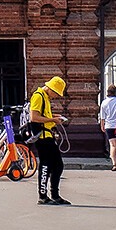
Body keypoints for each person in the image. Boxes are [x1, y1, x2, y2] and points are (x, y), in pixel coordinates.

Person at [28, 75, 69, 205]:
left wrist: (56, 117)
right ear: (51, 88)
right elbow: (34, 117)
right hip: (42, 138)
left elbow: (43, 115)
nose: (56, 96)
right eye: (56, 93)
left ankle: (54, 195)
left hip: (48, 136)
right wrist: (52, 120)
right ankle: (43, 196)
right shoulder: (38, 96)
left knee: (57, 165)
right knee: (46, 166)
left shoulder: (45, 97)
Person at [99, 84, 116, 171]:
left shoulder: (104, 102)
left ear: (108, 92)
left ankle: (114, 164)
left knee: (112, 145)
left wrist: (102, 126)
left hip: (109, 126)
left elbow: (102, 117)